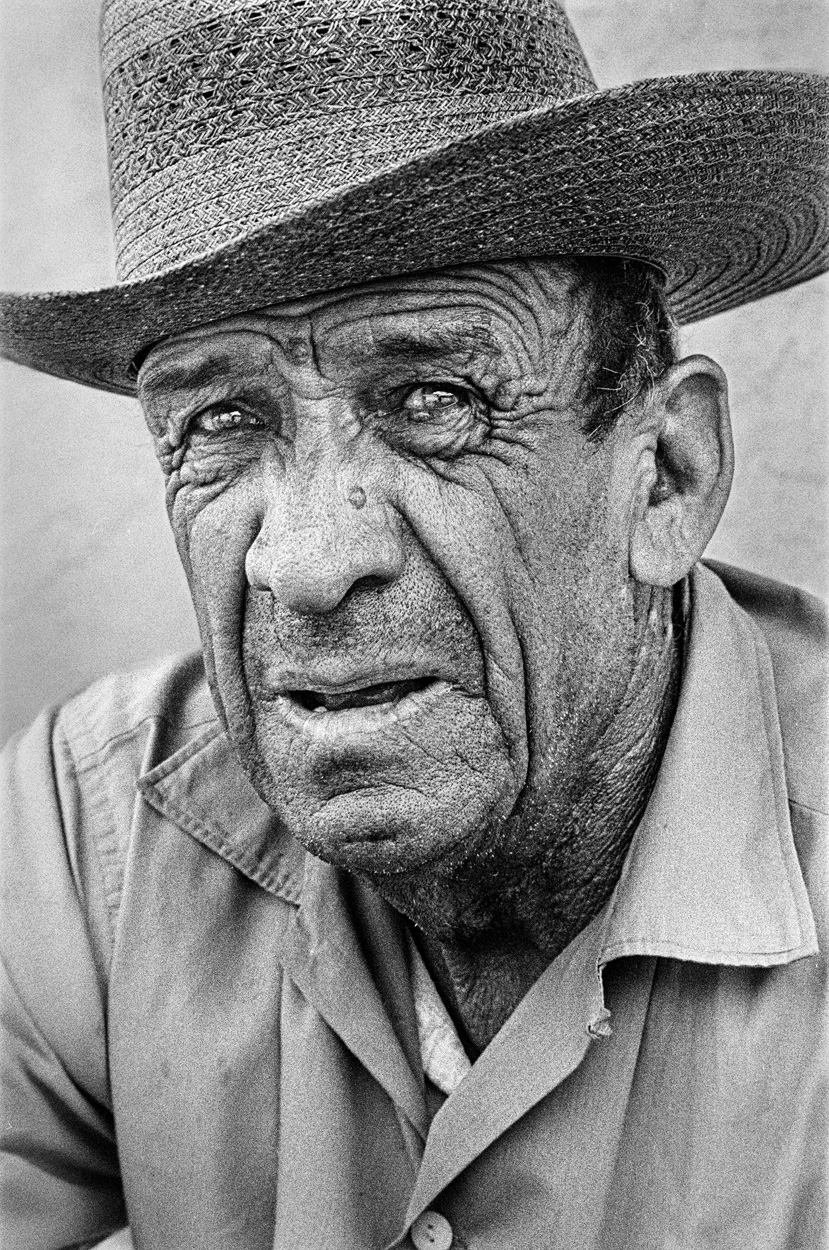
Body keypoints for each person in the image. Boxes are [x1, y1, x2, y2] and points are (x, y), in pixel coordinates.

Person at [1, 1, 826, 1247]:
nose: (304, 563)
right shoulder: (90, 832)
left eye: (432, 398)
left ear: (665, 476)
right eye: (220, 422)